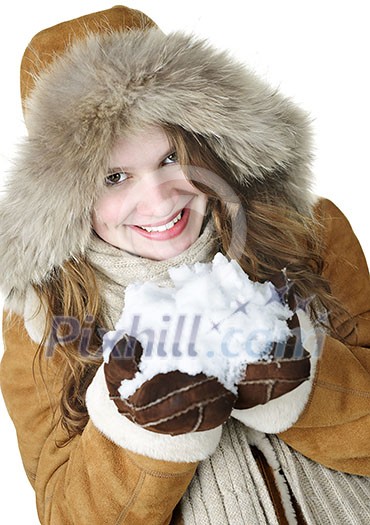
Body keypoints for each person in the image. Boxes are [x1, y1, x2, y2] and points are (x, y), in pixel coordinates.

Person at [0, 5, 369, 524]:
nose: (159, 201)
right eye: (114, 178)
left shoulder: (312, 234)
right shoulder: (43, 324)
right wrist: (140, 437)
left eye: (170, 157)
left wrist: (307, 388)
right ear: (66, 200)